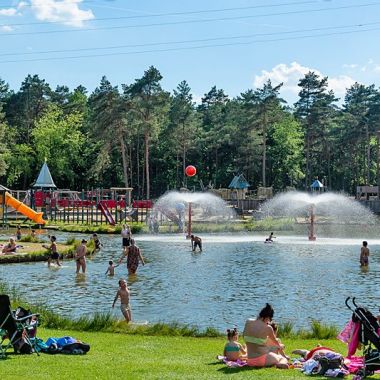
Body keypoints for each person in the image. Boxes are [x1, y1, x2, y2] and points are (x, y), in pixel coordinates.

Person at [243, 303, 289, 369]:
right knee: (282, 358)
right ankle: (280, 363)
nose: (269, 322)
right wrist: (281, 346)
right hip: (262, 359)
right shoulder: (268, 328)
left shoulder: (248, 322)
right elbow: (276, 342)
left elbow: (247, 336)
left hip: (250, 360)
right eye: (270, 319)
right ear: (267, 317)